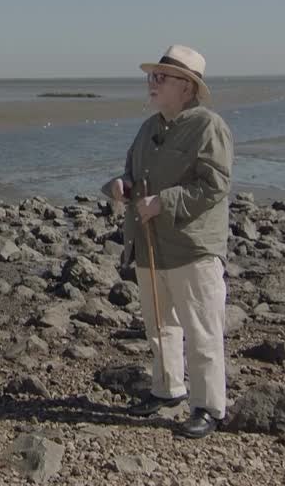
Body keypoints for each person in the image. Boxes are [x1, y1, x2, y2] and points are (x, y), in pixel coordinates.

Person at [102, 45, 233, 439]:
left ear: (188, 88)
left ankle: (209, 407)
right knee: (159, 325)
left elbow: (215, 185)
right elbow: (132, 170)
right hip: (149, 244)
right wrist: (122, 186)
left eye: (162, 77)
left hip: (193, 247)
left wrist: (164, 202)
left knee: (203, 331)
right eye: (152, 76)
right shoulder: (149, 127)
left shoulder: (209, 126)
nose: (153, 83)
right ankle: (167, 390)